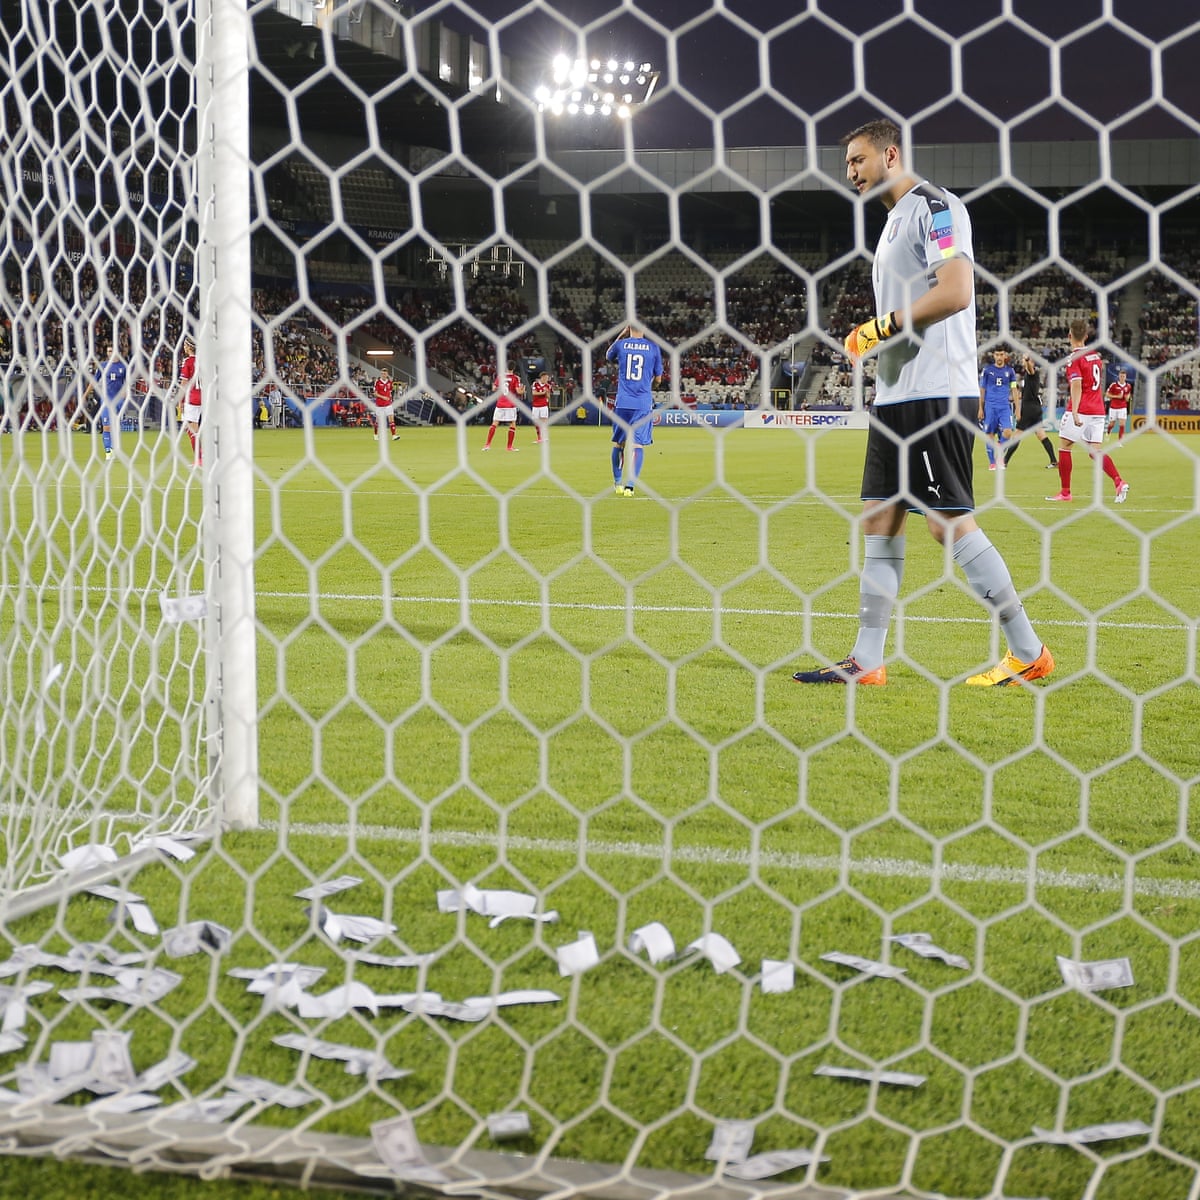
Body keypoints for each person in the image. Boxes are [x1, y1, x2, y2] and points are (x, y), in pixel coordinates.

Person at [792, 118, 1053, 688]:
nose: (851, 173)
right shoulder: (892, 223)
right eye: (847, 165)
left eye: (858, 160)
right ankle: (867, 660)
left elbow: (956, 291)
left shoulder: (936, 206)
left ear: (891, 153)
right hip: (896, 396)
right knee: (879, 518)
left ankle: (1028, 650)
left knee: (946, 524)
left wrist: (881, 326)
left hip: (936, 390)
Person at [1047, 319, 1129, 504]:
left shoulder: (1073, 358)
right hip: (1098, 410)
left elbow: (1076, 385)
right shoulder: (1095, 356)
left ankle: (1065, 492)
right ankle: (1118, 481)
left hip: (1082, 408)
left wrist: (1075, 411)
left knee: (1064, 446)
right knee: (1095, 451)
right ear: (1086, 336)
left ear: (1069, 335)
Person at [606, 320, 663, 496]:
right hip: (642, 403)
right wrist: (649, 388)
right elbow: (659, 379)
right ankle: (630, 486)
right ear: (645, 330)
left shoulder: (621, 345)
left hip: (623, 402)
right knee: (638, 445)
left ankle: (617, 484)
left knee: (619, 443)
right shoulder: (654, 348)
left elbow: (608, 355)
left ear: (628, 329)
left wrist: (622, 335)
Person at [1003, 353, 1058, 469]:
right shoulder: (1030, 376)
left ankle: (1004, 462)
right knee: (1041, 435)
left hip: (1029, 409)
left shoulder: (1032, 373)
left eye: (1024, 360)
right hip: (1036, 408)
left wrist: (1027, 360)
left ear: (1031, 362)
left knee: (1017, 435)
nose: (1022, 362)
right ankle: (1053, 461)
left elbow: (1030, 368)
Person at [81, 343, 127, 461]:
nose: (109, 353)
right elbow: (94, 381)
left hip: (119, 401)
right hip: (106, 400)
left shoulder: (124, 366)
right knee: (106, 426)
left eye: (112, 351)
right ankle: (108, 451)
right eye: (108, 351)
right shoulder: (102, 365)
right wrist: (85, 395)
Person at [978, 347, 1017, 470]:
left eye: (1001, 354)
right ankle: (992, 463)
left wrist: (1017, 407)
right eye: (997, 354)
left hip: (1004, 406)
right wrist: (980, 407)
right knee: (989, 434)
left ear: (1005, 355)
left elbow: (1014, 389)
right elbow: (982, 389)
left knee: (1008, 432)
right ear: (994, 356)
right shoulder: (987, 371)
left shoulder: (1010, 371)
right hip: (990, 406)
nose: (999, 357)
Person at [173, 334, 202, 467]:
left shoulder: (188, 362)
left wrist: (180, 401)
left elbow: (184, 384)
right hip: (203, 397)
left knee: (191, 429)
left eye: (185, 345)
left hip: (192, 398)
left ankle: (200, 459)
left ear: (188, 347)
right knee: (192, 428)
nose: (183, 347)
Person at [482, 363, 523, 451]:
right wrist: (522, 390)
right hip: (510, 404)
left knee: (495, 423)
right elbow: (518, 391)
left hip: (500, 403)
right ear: (514, 368)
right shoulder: (516, 378)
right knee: (512, 424)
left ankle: (487, 445)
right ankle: (509, 447)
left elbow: (493, 388)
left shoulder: (500, 376)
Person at [1105, 367, 1131, 445]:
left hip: (1123, 407)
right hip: (1113, 407)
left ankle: (1120, 441)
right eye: (1121, 376)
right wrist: (1117, 396)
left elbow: (1128, 396)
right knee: (1111, 424)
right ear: (1118, 376)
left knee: (1122, 425)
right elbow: (1107, 394)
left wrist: (1127, 398)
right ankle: (1108, 432)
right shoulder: (1114, 385)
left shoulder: (1128, 386)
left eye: (1123, 376)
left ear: (1126, 377)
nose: (1122, 378)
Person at [372, 366, 398, 442]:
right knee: (378, 421)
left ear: (387, 374)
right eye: (382, 374)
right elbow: (375, 394)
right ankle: (375, 435)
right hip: (380, 405)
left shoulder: (390, 382)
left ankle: (394, 435)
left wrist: (390, 398)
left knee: (391, 420)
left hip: (388, 404)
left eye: (385, 374)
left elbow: (390, 391)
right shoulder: (377, 382)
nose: (383, 375)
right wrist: (384, 397)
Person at [531, 370, 553, 443]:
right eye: (546, 378)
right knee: (536, 422)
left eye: (547, 378)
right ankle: (539, 438)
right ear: (542, 377)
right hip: (535, 406)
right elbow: (534, 393)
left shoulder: (548, 386)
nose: (547, 379)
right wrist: (543, 392)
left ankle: (544, 437)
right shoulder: (535, 384)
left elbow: (548, 396)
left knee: (544, 421)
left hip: (544, 405)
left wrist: (547, 393)